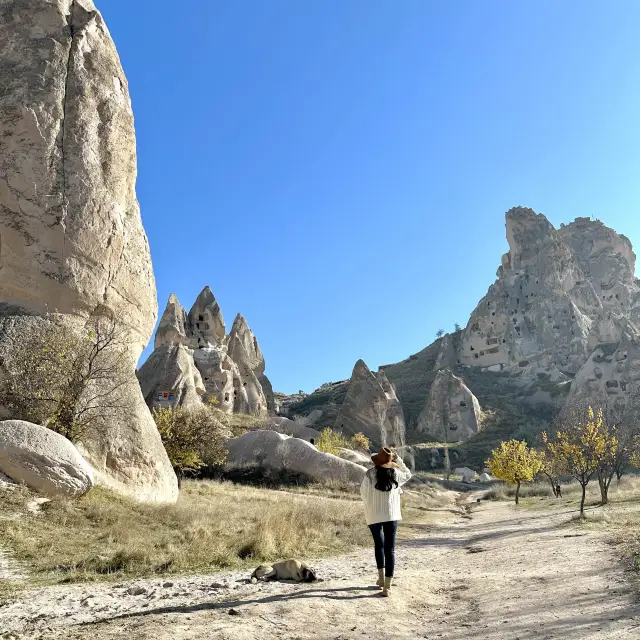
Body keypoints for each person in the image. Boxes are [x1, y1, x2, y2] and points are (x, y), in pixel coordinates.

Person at [360, 447, 411, 597]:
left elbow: (363, 493)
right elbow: (408, 474)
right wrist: (398, 460)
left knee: (379, 545)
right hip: (391, 515)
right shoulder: (395, 474)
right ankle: (387, 587)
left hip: (373, 515)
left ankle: (381, 579)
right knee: (390, 549)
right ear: (390, 462)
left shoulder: (369, 475)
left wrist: (371, 504)